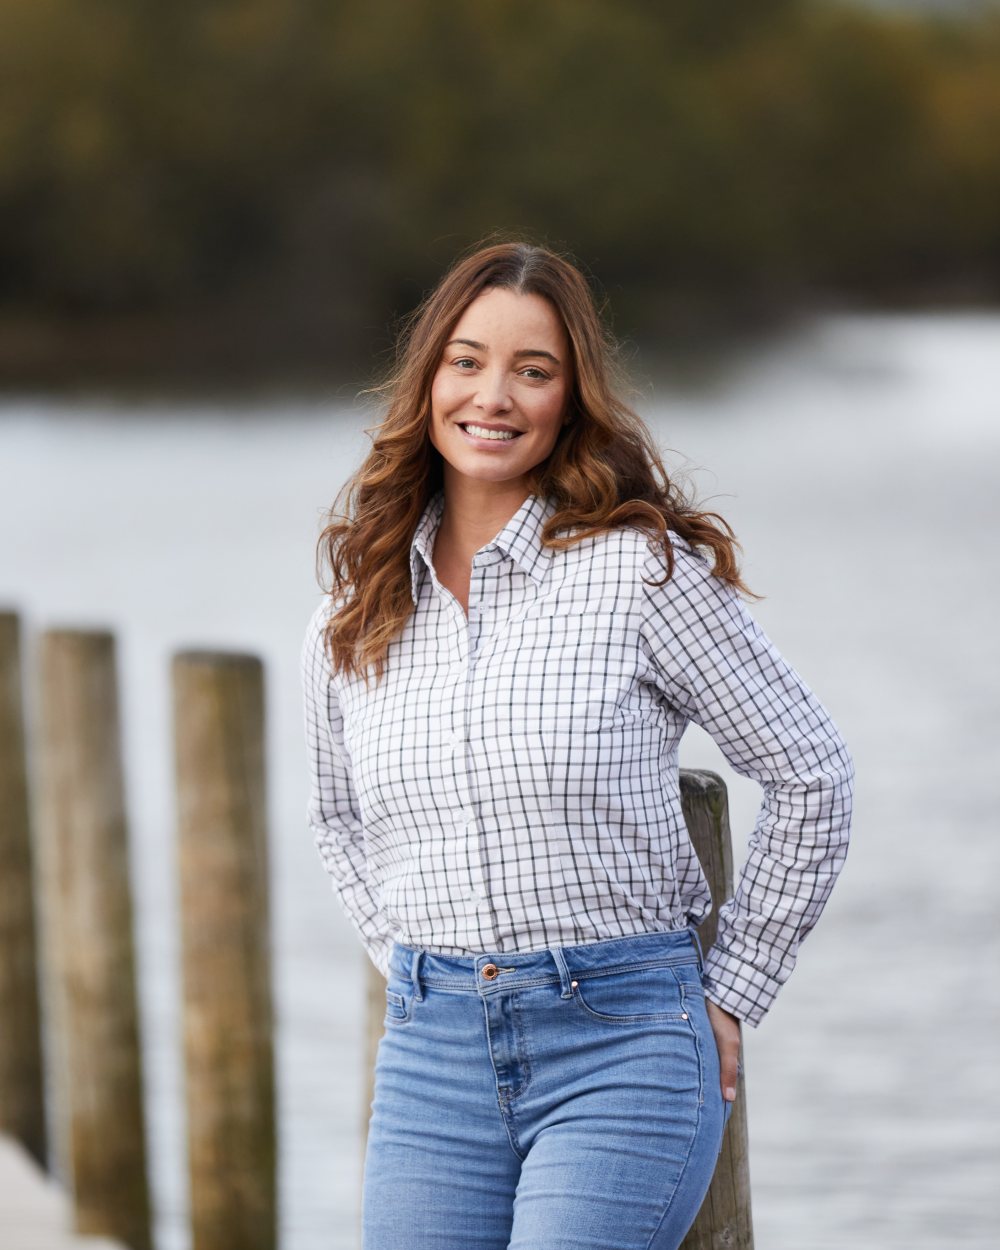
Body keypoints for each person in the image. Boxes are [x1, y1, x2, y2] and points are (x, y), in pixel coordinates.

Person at [300, 240, 854, 1250]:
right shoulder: (354, 610)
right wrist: (412, 965)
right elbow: (337, 818)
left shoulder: (639, 574)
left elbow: (811, 770)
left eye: (533, 369)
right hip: (431, 1052)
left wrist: (734, 988)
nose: (493, 395)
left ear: (570, 396)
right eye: (466, 361)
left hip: (623, 1041)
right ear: (427, 379)